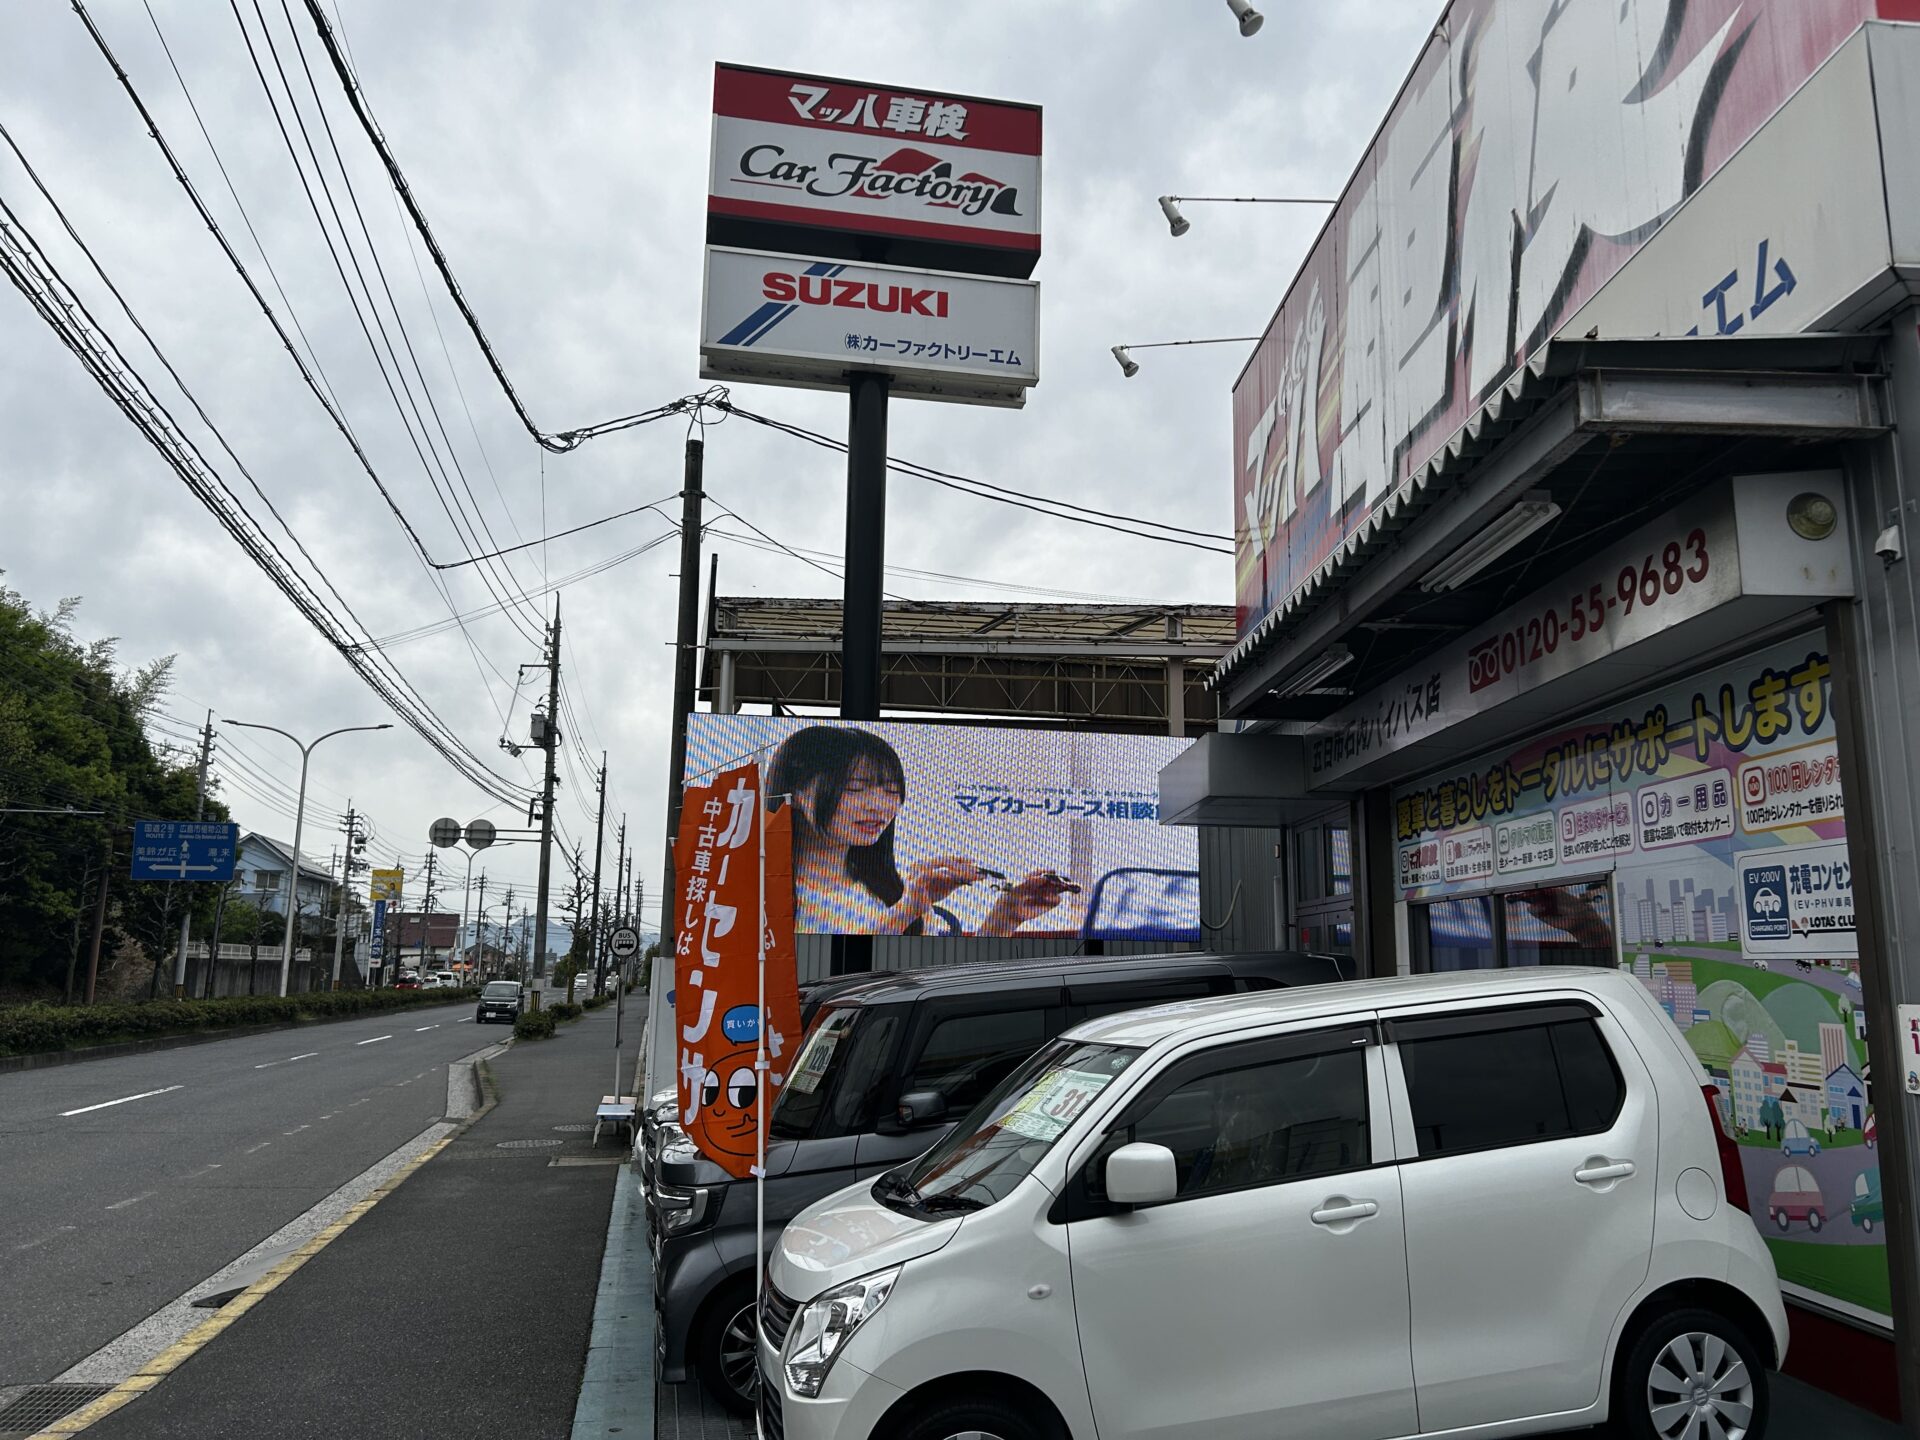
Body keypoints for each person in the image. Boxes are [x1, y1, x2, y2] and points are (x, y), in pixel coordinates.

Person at [767, 725, 1073, 937]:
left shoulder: (891, 891)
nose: (878, 806)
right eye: (855, 788)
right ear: (795, 790)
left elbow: (952, 982)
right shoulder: (758, 893)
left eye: (890, 791)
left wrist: (1007, 915)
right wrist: (906, 911)